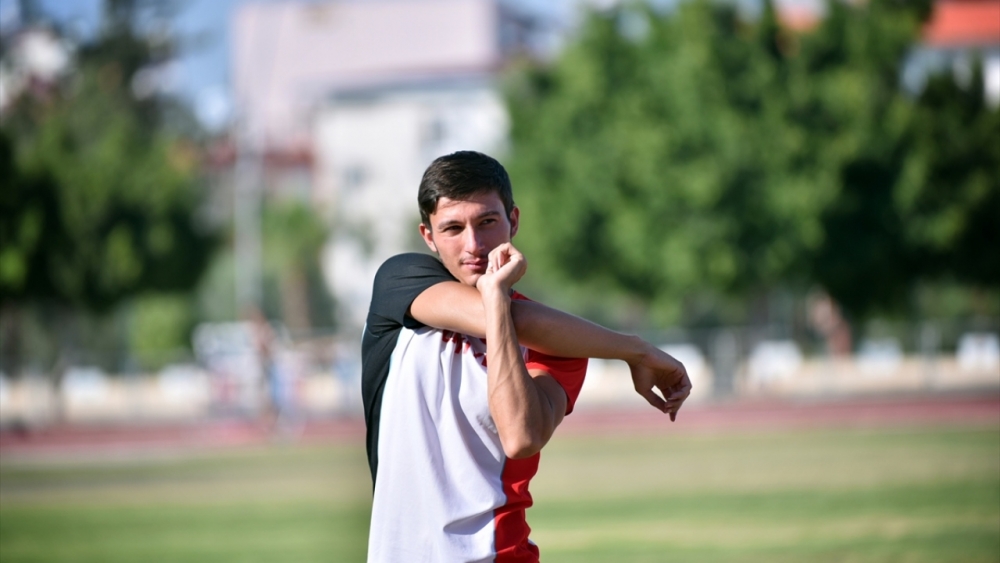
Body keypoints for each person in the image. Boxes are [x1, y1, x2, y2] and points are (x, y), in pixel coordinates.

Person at [362, 151, 691, 562]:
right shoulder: (401, 282)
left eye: (487, 222)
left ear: (513, 221)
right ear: (428, 236)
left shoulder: (562, 346)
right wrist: (635, 350)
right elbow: (501, 315)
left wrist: (496, 296)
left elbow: (520, 437)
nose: (473, 245)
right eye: (452, 228)